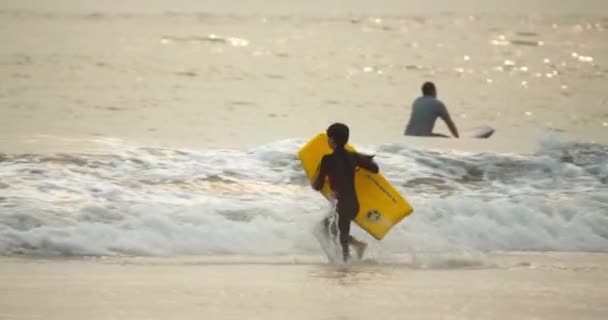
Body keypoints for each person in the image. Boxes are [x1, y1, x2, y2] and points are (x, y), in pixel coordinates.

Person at [311, 122, 380, 262]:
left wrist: (314, 178)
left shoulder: (327, 159)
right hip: (353, 204)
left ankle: (341, 265)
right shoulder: (353, 157)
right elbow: (375, 169)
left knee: (325, 232)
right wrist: (362, 157)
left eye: (328, 139)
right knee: (333, 232)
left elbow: (317, 186)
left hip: (341, 205)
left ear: (331, 140)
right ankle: (355, 248)